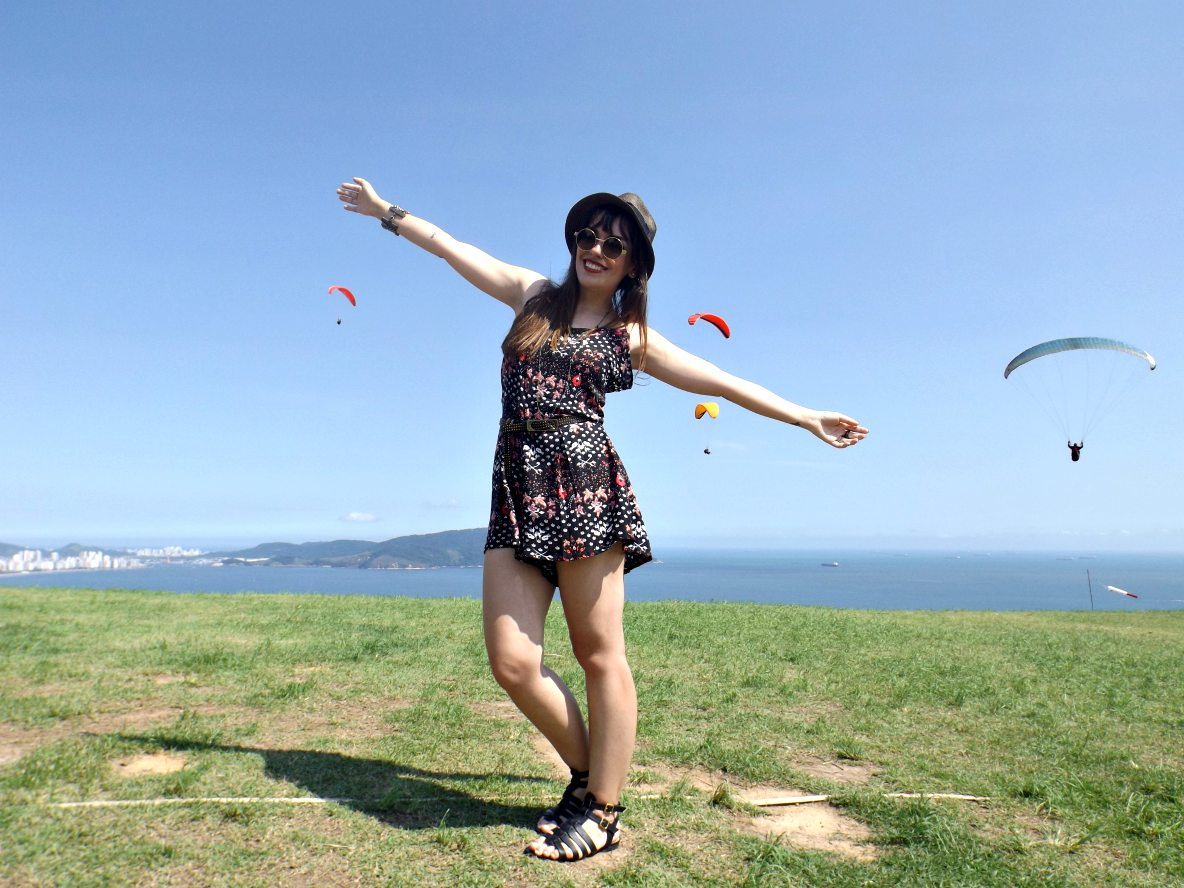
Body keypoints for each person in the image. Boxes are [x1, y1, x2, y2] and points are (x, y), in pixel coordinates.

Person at [336, 178, 868, 861]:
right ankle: (587, 778)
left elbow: (722, 380)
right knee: (512, 662)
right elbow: (448, 247)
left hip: (585, 486)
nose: (595, 248)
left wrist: (805, 416)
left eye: (613, 243)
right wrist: (387, 212)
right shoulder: (531, 294)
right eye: (588, 234)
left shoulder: (631, 335)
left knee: (597, 654)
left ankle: (604, 811)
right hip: (516, 488)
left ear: (632, 263)